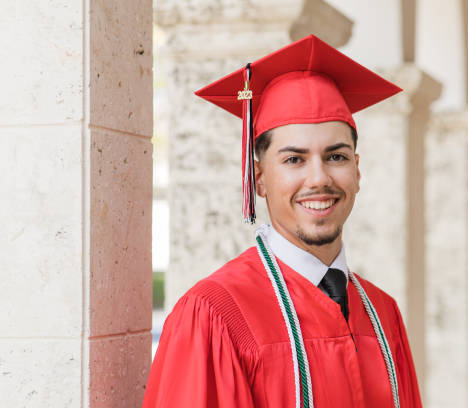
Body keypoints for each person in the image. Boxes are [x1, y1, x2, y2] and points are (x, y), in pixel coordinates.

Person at [143, 34, 422, 408]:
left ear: (357, 170)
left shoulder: (382, 313)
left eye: (336, 157)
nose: (319, 178)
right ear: (258, 178)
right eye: (294, 160)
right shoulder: (213, 316)